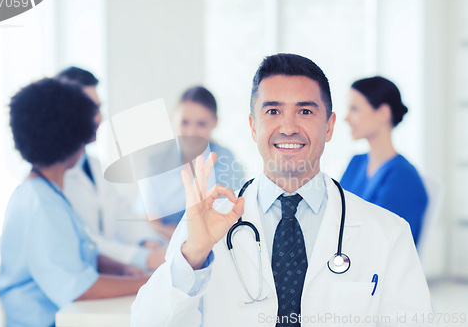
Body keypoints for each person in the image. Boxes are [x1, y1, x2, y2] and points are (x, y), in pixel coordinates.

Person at [130, 54, 434, 326]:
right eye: (273, 111)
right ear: (252, 126)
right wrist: (192, 257)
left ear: (329, 127)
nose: (288, 127)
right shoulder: (203, 227)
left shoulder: (388, 233)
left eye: (305, 112)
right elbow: (148, 322)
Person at [0, 79, 149, 327]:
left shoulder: (42, 194)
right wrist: (149, 282)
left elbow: (77, 256)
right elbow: (81, 288)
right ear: (73, 138)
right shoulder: (43, 207)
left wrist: (122, 269)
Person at [56, 67, 167, 270]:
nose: (98, 118)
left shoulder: (96, 167)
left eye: (98, 108)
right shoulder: (53, 178)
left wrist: (148, 241)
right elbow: (84, 243)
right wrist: (144, 257)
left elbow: (124, 215)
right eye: (90, 109)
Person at [134, 86, 245, 239]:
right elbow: (149, 222)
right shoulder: (154, 162)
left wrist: (169, 230)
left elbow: (230, 218)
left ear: (215, 122)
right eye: (185, 122)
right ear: (173, 118)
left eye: (201, 124)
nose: (191, 132)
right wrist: (189, 236)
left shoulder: (226, 160)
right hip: (163, 247)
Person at [340, 76, 428, 245]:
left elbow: (379, 240)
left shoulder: (403, 177)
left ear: (383, 113)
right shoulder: (356, 163)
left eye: (355, 109)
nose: (346, 118)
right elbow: (334, 213)